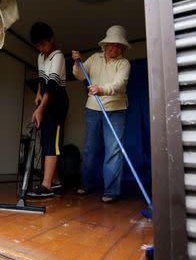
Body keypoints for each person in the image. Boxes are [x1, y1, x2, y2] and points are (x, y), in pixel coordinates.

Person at [72, 25, 131, 203]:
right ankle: (86, 183)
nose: (116, 48)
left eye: (119, 46)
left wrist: (102, 89)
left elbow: (119, 84)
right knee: (90, 148)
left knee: (113, 150)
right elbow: (80, 76)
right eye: (112, 44)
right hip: (93, 108)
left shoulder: (124, 63)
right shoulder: (95, 58)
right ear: (105, 45)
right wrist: (77, 63)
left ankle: (112, 191)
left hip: (116, 110)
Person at [27, 22, 69, 197]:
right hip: (45, 101)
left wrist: (40, 109)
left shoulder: (58, 56)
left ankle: (46, 186)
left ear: (52, 39)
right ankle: (56, 181)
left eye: (44, 44)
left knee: (53, 141)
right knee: (46, 140)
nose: (42, 48)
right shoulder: (40, 57)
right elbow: (42, 80)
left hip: (57, 102)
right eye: (38, 46)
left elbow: (51, 86)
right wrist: (38, 94)